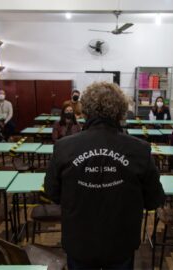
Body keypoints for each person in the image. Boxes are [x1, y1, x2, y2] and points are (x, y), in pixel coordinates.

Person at [45, 82, 164, 270]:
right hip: (120, 243)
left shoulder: (64, 147)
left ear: (86, 111)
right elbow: (154, 199)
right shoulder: (139, 149)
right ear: (120, 111)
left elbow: (52, 192)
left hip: (79, 240)